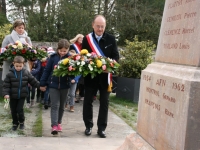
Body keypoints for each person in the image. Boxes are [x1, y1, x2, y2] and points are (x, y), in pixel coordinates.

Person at [82, 15, 119, 138]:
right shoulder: (87, 39)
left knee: (104, 103)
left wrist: (109, 66)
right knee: (88, 101)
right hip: (90, 78)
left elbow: (116, 57)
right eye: (98, 26)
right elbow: (83, 57)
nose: (100, 29)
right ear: (93, 25)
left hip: (105, 77)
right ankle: (88, 126)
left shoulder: (111, 39)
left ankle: (101, 128)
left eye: (102, 26)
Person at [40, 39, 71, 135]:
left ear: (68, 50)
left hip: (65, 85)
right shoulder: (52, 58)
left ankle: (58, 123)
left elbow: (75, 72)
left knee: (62, 106)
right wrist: (42, 83)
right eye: (61, 51)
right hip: (53, 85)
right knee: (54, 105)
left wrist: (73, 78)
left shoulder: (71, 58)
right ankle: (54, 126)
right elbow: (47, 71)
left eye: (64, 51)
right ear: (57, 49)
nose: (62, 53)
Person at [2, 56, 40, 131]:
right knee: (13, 110)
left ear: (24, 64)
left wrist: (40, 86)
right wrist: (6, 93)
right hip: (12, 96)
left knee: (19, 110)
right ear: (13, 64)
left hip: (22, 95)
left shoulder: (26, 73)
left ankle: (22, 122)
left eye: (20, 66)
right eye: (17, 66)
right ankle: (15, 123)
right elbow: (6, 85)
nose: (18, 67)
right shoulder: (9, 74)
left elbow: (33, 81)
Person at [69, 34, 85, 102]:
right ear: (77, 38)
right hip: (75, 64)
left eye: (82, 38)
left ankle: (82, 94)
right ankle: (74, 96)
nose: (81, 39)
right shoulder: (73, 46)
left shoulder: (83, 46)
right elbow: (70, 54)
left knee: (82, 80)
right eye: (80, 38)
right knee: (76, 79)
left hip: (82, 63)